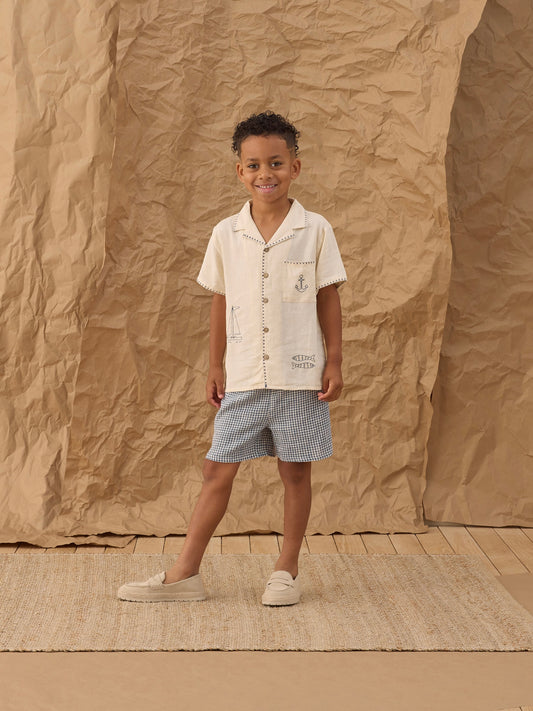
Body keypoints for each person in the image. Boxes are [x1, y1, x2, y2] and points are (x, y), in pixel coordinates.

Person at [117, 110, 347, 606]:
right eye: (254, 165)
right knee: (216, 470)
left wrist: (335, 361)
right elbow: (220, 301)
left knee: (296, 472)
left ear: (295, 167)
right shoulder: (226, 233)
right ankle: (185, 574)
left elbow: (327, 296)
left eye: (276, 163)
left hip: (299, 375)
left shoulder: (315, 229)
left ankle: (286, 570)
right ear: (240, 172)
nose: (266, 174)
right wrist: (215, 365)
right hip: (243, 375)